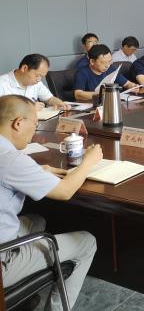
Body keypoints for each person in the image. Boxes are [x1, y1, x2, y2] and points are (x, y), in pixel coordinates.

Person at [0, 94, 102, 310]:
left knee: (36, 221)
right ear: (18, 123)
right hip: (2, 260)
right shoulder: (10, 159)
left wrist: (39, 171)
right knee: (87, 242)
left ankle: (25, 296)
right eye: (35, 124)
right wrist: (89, 162)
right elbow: (65, 192)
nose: (34, 131)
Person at [0, 54, 70, 110]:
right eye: (37, 75)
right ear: (24, 68)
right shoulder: (2, 84)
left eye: (41, 76)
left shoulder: (36, 83)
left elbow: (49, 99)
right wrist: (29, 109)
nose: (39, 80)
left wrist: (59, 103)